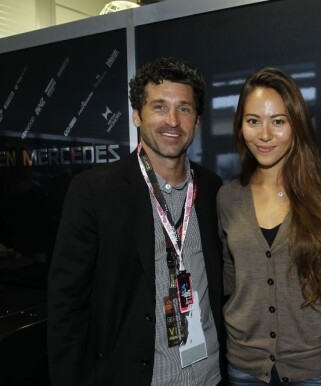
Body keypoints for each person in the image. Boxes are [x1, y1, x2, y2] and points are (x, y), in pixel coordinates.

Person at [47, 57, 226, 385]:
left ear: (197, 121)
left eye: (184, 109)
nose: (172, 120)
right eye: (159, 107)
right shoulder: (95, 191)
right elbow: (66, 306)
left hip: (210, 376)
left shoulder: (213, 188)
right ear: (136, 115)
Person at [217, 67, 321, 385]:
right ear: (241, 126)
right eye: (253, 121)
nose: (265, 135)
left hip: (317, 369)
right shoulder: (228, 197)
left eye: (278, 121)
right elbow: (232, 282)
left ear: (296, 124)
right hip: (245, 367)